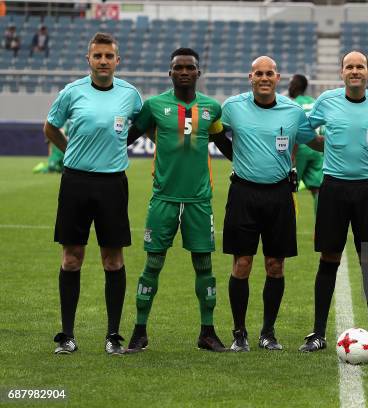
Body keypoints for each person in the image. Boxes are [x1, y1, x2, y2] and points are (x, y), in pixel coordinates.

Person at [124, 48, 233, 353]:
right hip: (164, 199)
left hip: (199, 200)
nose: (184, 72)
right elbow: (128, 137)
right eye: (178, 67)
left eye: (190, 67)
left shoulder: (212, 108)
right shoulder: (154, 106)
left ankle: (208, 332)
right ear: (169, 73)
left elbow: (222, 142)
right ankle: (139, 331)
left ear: (199, 73)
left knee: (205, 265)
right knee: (152, 264)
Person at [44, 32, 142, 355]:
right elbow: (50, 127)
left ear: (118, 60)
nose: (103, 61)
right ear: (89, 59)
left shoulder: (131, 94)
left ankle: (113, 336)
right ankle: (67, 336)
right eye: (97, 56)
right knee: (72, 258)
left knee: (113, 260)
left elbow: (141, 126)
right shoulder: (72, 92)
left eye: (108, 56)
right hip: (75, 183)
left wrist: (116, 148)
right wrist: (70, 150)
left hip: (113, 184)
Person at [299, 50, 368, 353]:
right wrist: (324, 146)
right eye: (349, 66)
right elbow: (304, 131)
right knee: (329, 258)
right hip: (333, 189)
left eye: (360, 66)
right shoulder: (326, 100)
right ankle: (317, 333)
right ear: (342, 72)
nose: (355, 71)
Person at [221, 56, 317, 352]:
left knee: (275, 266)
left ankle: (268, 333)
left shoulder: (293, 112)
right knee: (242, 264)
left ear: (278, 79)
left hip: (278, 196)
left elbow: (310, 140)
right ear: (250, 77)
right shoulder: (233, 107)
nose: (264, 78)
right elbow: (215, 133)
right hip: (243, 194)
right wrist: (236, 157)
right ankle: (239, 333)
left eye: (269, 74)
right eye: (258, 73)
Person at [288, 74, 324, 216]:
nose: (289, 87)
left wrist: (292, 154)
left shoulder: (293, 104)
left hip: (301, 148)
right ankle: (321, 229)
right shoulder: (315, 102)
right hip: (318, 150)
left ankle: (286, 225)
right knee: (318, 190)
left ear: (296, 86)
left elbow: (295, 130)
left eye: (291, 84)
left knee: (288, 188)